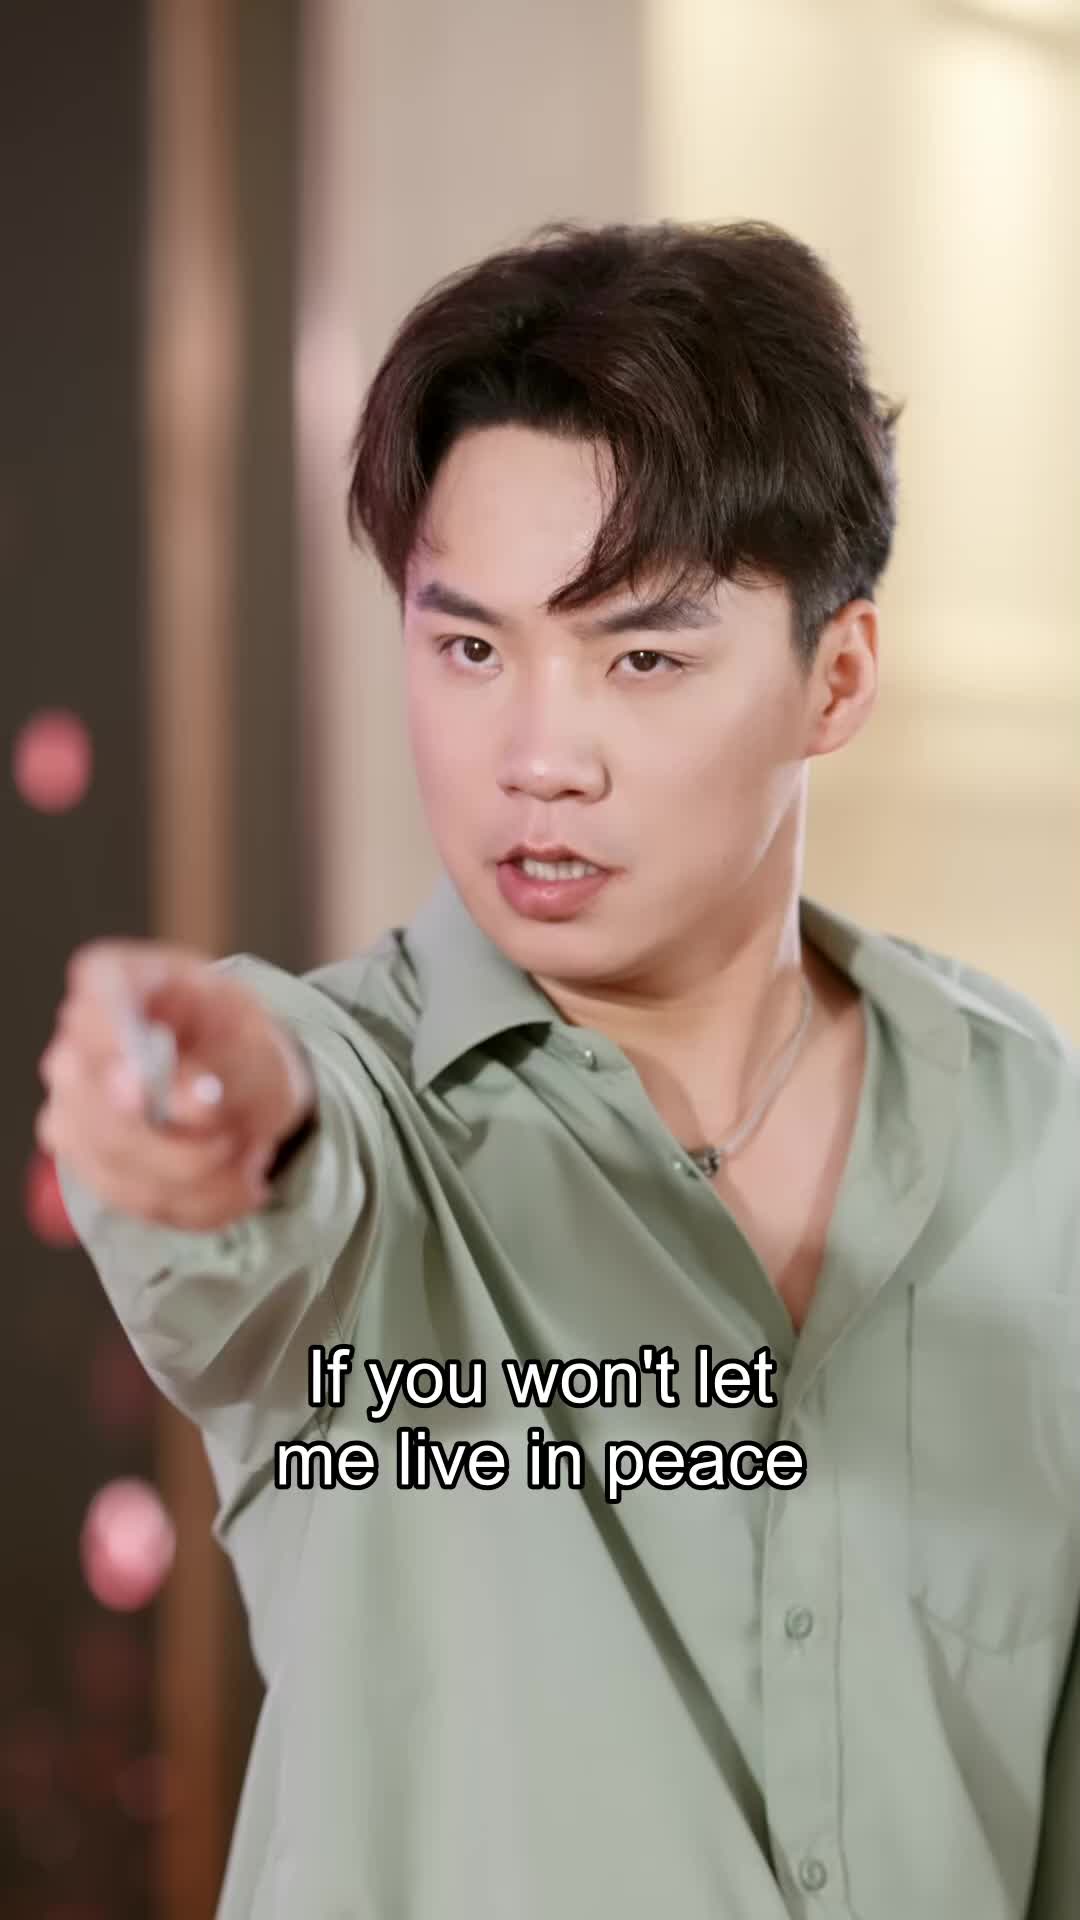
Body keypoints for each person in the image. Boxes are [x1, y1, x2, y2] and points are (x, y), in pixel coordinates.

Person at [38, 219, 1080, 1919]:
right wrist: (214, 1126)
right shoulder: (362, 1115)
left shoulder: (1036, 1135)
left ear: (835, 679)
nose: (536, 759)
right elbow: (261, 1188)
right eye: (470, 649)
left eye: (641, 657)